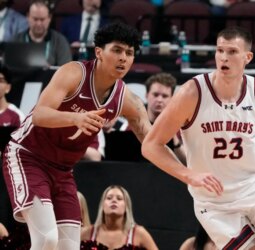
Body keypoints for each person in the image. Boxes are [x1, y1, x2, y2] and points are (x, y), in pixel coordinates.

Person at [142, 26, 255, 249]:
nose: (224, 57)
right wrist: (188, 175)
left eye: (232, 51)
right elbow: (151, 145)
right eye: (220, 50)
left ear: (247, 57)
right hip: (214, 203)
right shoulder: (191, 93)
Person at [2, 21, 151, 250]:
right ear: (99, 52)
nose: (124, 57)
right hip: (28, 156)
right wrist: (75, 118)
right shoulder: (74, 72)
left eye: (129, 53)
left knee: (69, 247)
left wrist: (189, 173)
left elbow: (152, 143)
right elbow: (40, 114)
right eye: (117, 50)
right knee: (47, 240)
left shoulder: (127, 100)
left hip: (62, 171)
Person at [80, 185, 158, 250]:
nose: (114, 200)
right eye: (109, 198)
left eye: (119, 198)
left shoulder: (139, 233)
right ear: (102, 206)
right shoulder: (86, 232)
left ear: (126, 207)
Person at [12, 0, 72, 66]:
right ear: (28, 17)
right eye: (35, 19)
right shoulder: (16, 41)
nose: (38, 24)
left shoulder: (60, 42)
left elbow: (66, 71)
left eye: (42, 19)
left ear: (49, 18)